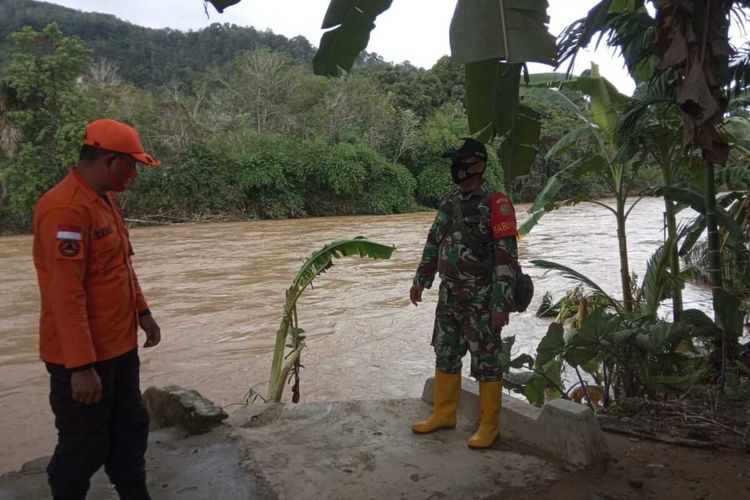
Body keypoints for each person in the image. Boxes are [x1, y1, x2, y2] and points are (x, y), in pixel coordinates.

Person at [32, 118, 162, 499]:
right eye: (132, 165)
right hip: (84, 359)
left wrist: (142, 312)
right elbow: (65, 294)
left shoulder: (105, 200)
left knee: (130, 430)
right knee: (83, 444)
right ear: (109, 161)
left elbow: (121, 265)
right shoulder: (65, 211)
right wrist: (81, 367)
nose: (135, 173)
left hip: (120, 348)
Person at [410, 137, 518, 449]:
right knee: (445, 353)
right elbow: (433, 242)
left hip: (482, 298)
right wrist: (421, 279)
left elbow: (506, 259)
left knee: (486, 360)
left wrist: (501, 304)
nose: (454, 167)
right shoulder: (448, 202)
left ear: (477, 165)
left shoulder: (497, 205)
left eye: (459, 161)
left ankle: (489, 426)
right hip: (449, 297)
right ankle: (444, 415)